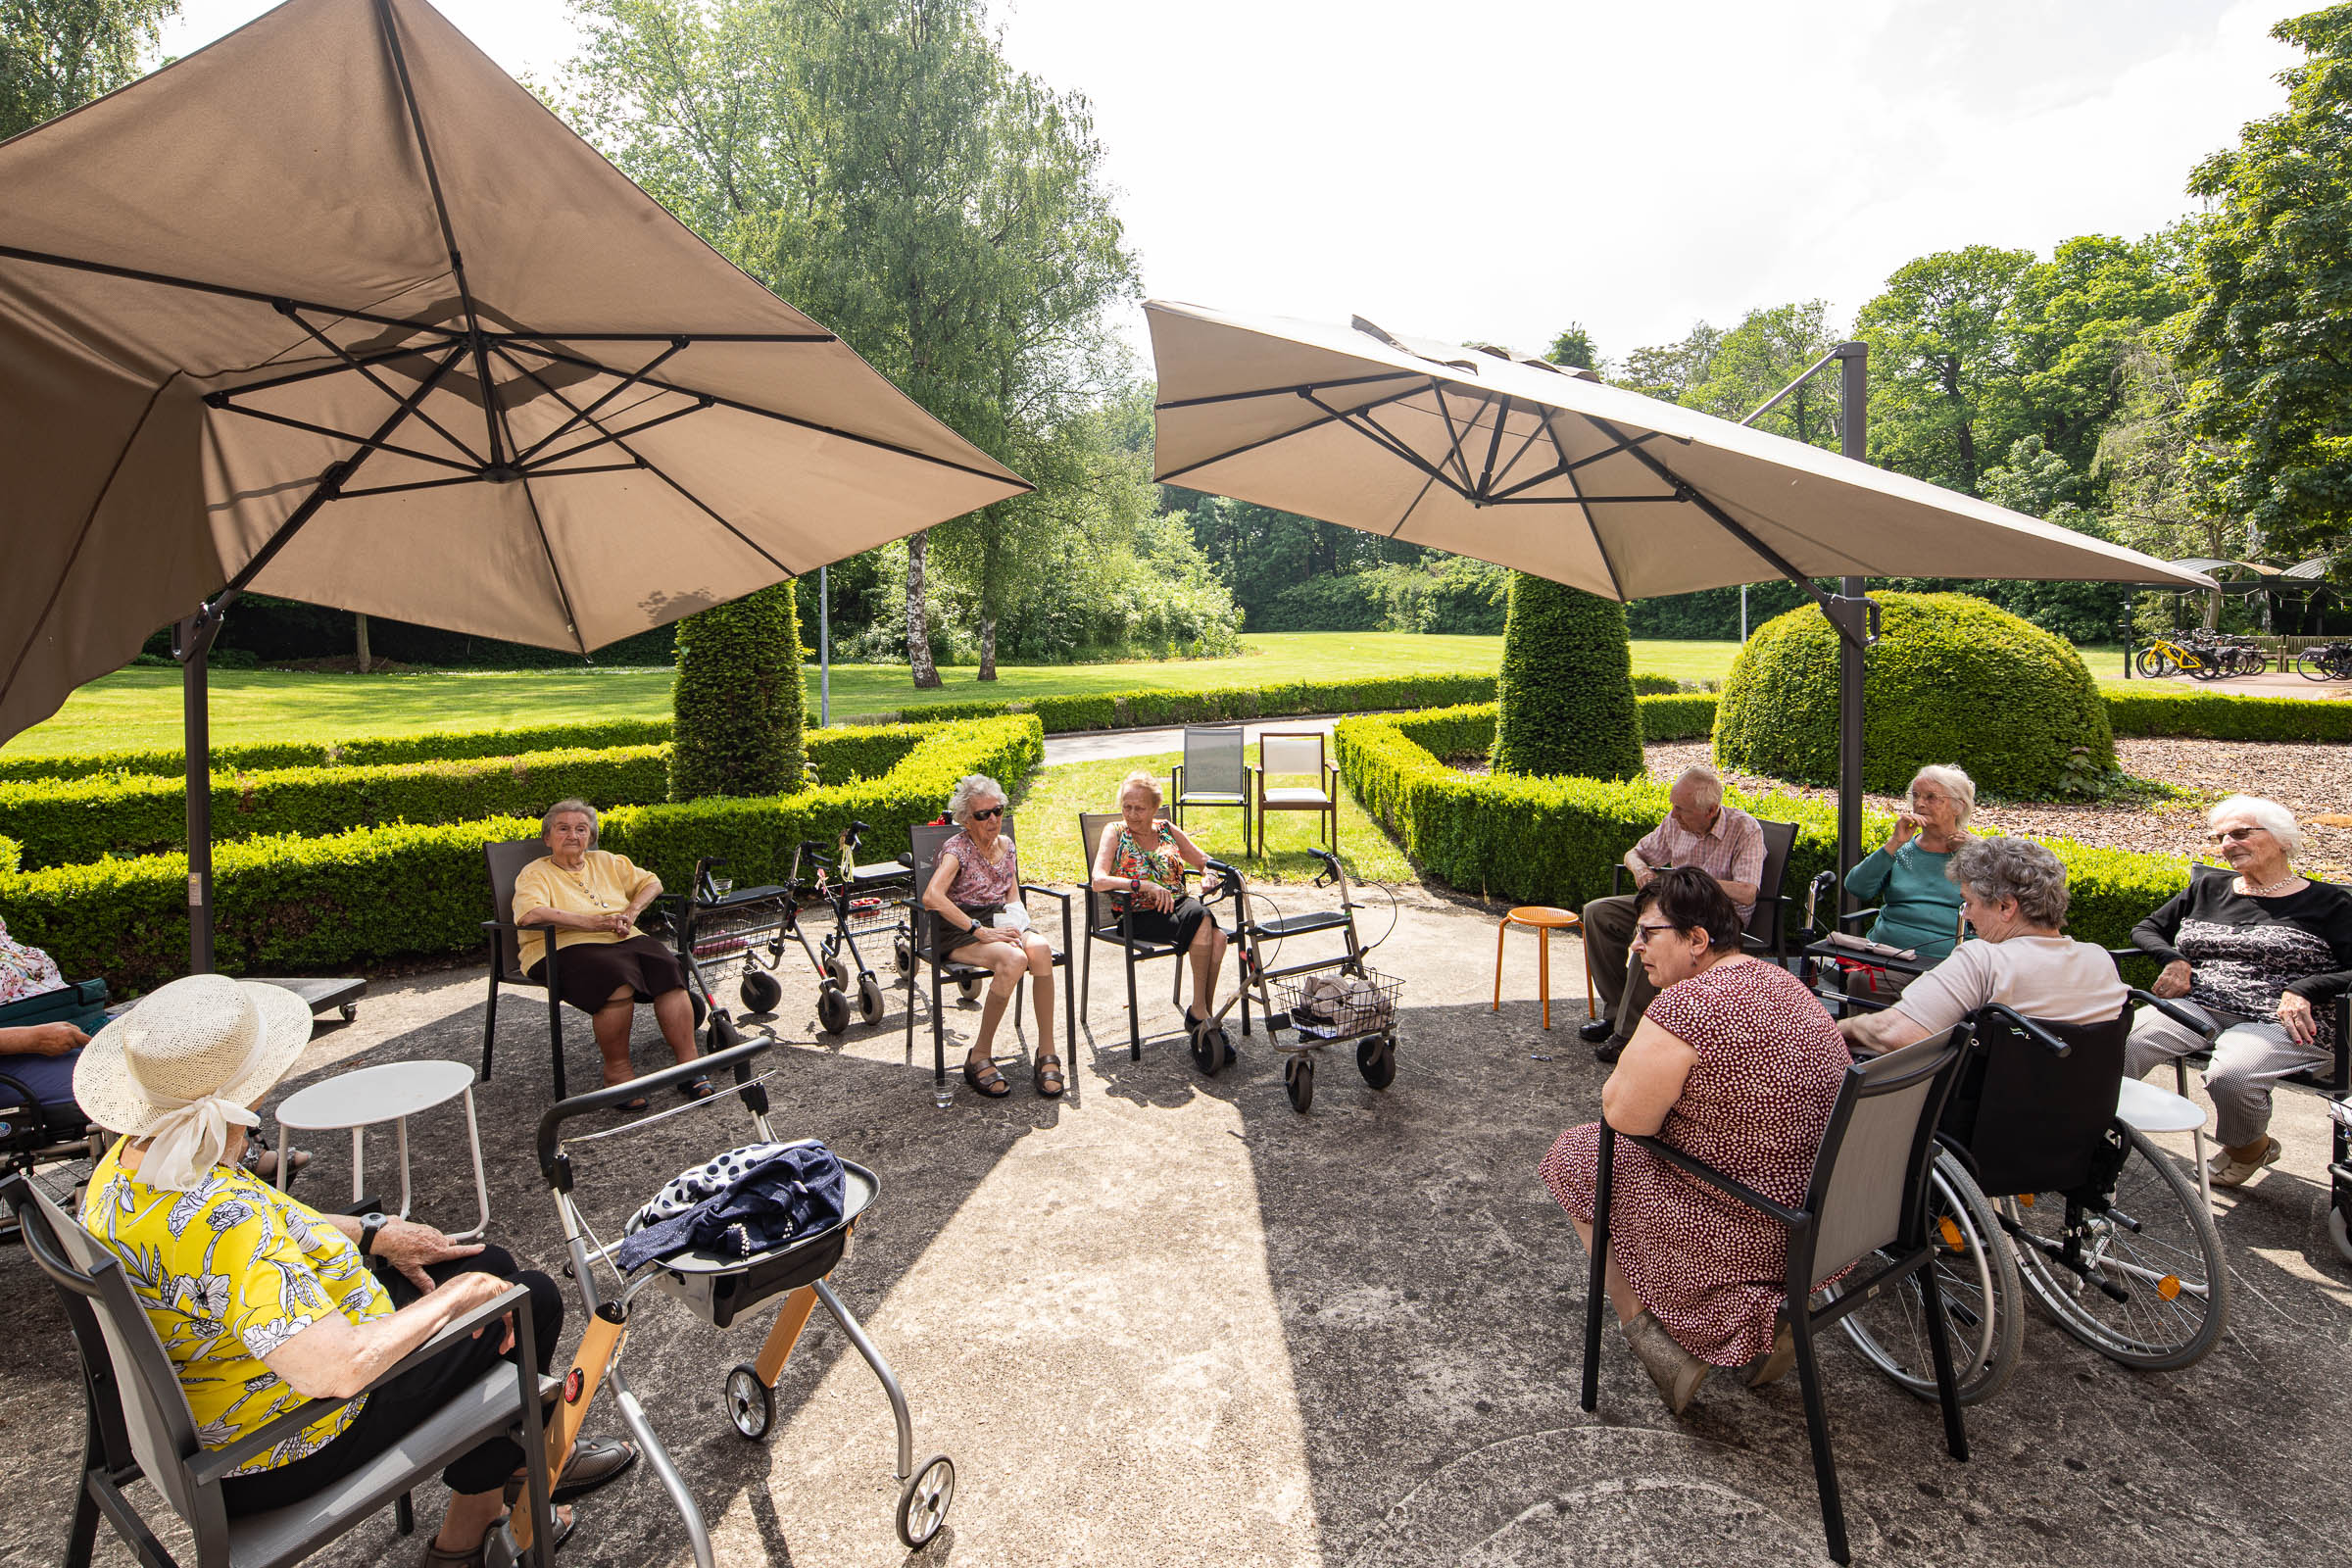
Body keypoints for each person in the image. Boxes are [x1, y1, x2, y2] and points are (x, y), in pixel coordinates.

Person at [74, 973, 635, 1567]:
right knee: (528, 1300)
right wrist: (455, 1299)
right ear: (251, 1090)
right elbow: (333, 1370)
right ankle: (472, 1531)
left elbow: (253, 1233)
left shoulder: (137, 1161)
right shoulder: (225, 1219)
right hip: (285, 1443)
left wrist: (375, 1233)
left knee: (489, 1262)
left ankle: (524, 1457)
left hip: (223, 1394)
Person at [1541, 867, 1849, 1413]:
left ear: (1698, 940)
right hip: (1823, 1229)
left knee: (1578, 1155)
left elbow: (1624, 1118)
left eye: (1648, 934)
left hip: (1746, 1231)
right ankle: (1769, 1317)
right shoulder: (1783, 981)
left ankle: (1650, 1336)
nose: (1635, 949)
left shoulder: (1687, 1007)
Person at [2122, 796, 2352, 1187]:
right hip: (2202, 1004)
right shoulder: (2209, 887)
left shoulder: (2331, 903)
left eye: (2241, 833)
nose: (2228, 844)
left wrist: (2305, 988)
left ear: (2282, 839)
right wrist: (2174, 960)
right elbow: (2146, 929)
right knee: (2122, 1042)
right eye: (2222, 837)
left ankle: (2248, 1148)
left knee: (2233, 1076)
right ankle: (2096, 1128)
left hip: (2279, 1019)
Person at [1839, 837, 2128, 1055]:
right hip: (2078, 1118)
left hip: (1986, 1122)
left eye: (1970, 902)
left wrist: (1841, 1028)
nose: (1966, 914)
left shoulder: (1984, 959)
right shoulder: (2100, 959)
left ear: (2005, 906)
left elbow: (1896, 1034)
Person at [514, 799, 706, 1109]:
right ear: (547, 838)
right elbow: (530, 914)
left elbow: (651, 882)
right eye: (563, 828)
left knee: (667, 967)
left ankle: (689, 1065)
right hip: (561, 945)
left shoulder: (606, 860)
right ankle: (617, 1074)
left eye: (581, 829)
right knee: (615, 979)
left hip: (621, 936)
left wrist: (631, 911)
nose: (573, 835)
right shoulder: (535, 873)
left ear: (590, 837)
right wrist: (589, 923)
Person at [1579, 766, 1765, 1064]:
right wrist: (1641, 870)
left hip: (1715, 918)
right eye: (1674, 806)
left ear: (1711, 810)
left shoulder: (1745, 830)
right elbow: (1634, 853)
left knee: (1654, 933)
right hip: (1671, 904)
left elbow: (1747, 892)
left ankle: (1628, 1033)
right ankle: (1617, 1013)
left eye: (1681, 809)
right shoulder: (1675, 822)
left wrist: (1695, 882)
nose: (1674, 814)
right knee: (1597, 913)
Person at [921, 774, 1060, 1099]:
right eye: (983, 815)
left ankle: (1046, 1052)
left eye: (996, 811)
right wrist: (978, 930)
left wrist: (1019, 924)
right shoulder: (957, 849)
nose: (992, 820)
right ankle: (979, 1055)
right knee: (1014, 960)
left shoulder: (1007, 846)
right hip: (959, 928)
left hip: (1000, 920)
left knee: (1039, 949)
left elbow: (1011, 894)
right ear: (967, 820)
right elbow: (932, 897)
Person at [1089, 772, 1229, 1040]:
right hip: (1138, 915)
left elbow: (1204, 860)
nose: (1131, 814)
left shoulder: (1166, 829)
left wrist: (1207, 874)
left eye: (1139, 808)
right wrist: (1144, 885)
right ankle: (1202, 1016)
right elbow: (1098, 880)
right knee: (1203, 919)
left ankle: (1202, 1015)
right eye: (1126, 807)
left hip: (1178, 907)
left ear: (1154, 808)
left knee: (1218, 937)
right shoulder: (1115, 832)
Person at [1838, 765, 1976, 998]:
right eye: (1916, 796)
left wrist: (1977, 852)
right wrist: (1894, 842)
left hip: (1949, 964)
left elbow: (2003, 905)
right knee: (1863, 979)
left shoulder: (1975, 851)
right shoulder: (1902, 850)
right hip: (1890, 955)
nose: (1920, 803)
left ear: (1958, 806)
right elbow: (1856, 888)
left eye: (1931, 797)